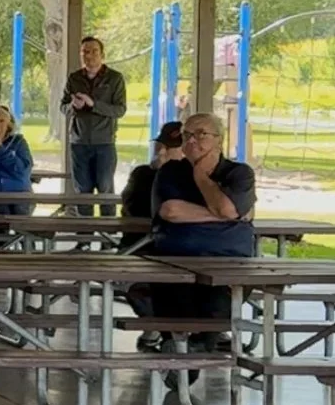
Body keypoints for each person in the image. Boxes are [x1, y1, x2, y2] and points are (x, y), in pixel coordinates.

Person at [148, 113, 255, 352]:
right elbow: (171, 211)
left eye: (201, 134)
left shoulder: (239, 173)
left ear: (219, 140)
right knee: (176, 306)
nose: (192, 141)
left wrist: (202, 177)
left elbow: (227, 208)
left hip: (229, 262)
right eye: (187, 135)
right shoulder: (170, 171)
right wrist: (228, 214)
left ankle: (192, 354)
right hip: (175, 262)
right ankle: (184, 353)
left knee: (216, 308)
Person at [124, 121, 183, 338]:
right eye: (161, 145)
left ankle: (203, 330)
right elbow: (135, 209)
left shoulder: (199, 177)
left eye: (171, 147)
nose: (163, 151)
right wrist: (158, 174)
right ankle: (156, 325)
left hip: (184, 249)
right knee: (132, 280)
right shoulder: (143, 174)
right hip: (143, 246)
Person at [60, 36, 127, 213]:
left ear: (102, 54)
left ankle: (108, 238)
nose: (89, 56)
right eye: (85, 52)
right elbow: (63, 107)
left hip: (104, 142)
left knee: (105, 189)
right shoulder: (74, 78)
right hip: (79, 142)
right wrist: (73, 107)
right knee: (82, 191)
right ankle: (84, 237)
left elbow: (120, 110)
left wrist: (93, 104)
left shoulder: (115, 78)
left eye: (94, 51)